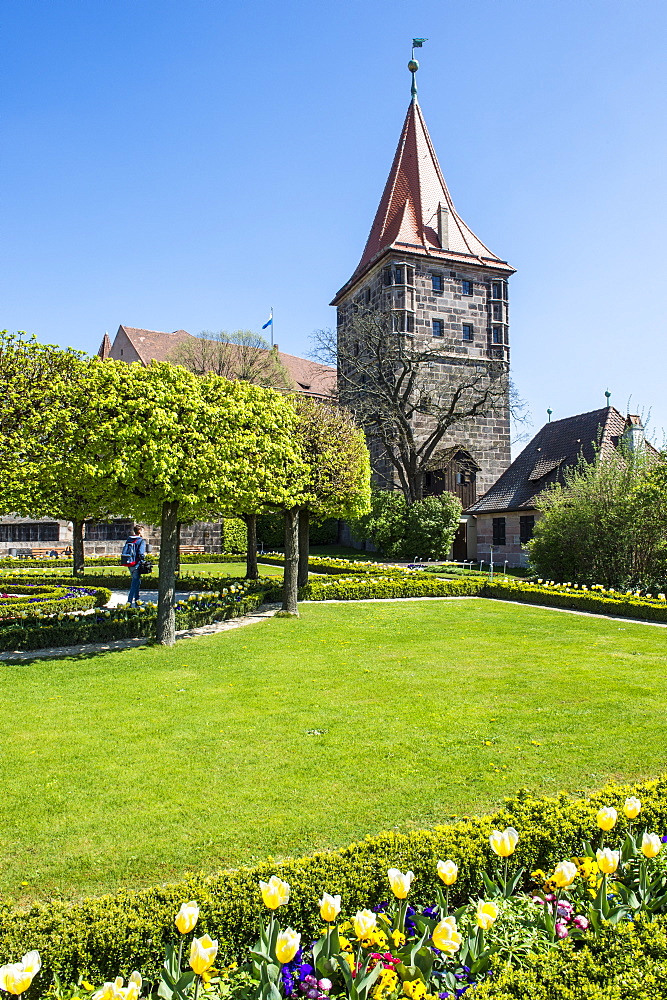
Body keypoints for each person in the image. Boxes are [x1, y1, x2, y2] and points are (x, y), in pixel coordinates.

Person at [122, 525, 147, 607]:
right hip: (136, 563)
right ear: (139, 531)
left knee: (137, 581)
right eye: (143, 531)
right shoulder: (141, 541)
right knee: (134, 583)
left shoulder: (129, 540)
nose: (143, 533)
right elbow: (141, 553)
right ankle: (129, 602)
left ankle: (137, 600)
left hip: (129, 563)